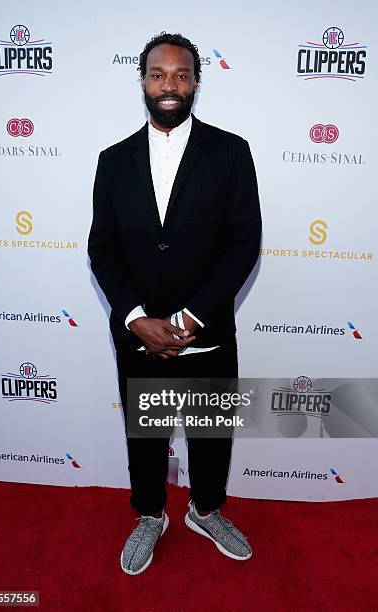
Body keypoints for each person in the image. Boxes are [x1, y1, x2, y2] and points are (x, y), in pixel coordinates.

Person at [88, 32, 261, 575]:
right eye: (159, 74)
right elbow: (103, 250)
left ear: (195, 84)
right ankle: (150, 515)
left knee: (211, 436)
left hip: (206, 331)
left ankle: (205, 510)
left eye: (181, 75)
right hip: (140, 336)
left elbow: (243, 244)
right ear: (142, 81)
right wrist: (138, 319)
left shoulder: (231, 152)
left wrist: (189, 318)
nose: (170, 85)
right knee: (147, 437)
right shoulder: (113, 161)